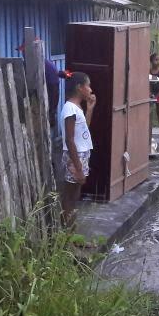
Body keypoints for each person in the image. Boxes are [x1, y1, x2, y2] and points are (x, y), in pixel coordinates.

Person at [60, 71, 95, 228]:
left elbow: (83, 131)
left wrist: (90, 109)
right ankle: (67, 239)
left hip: (80, 156)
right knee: (70, 197)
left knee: (75, 196)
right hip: (74, 157)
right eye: (88, 85)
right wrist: (78, 169)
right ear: (79, 87)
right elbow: (69, 139)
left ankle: (70, 236)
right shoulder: (70, 109)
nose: (90, 89)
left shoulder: (76, 108)